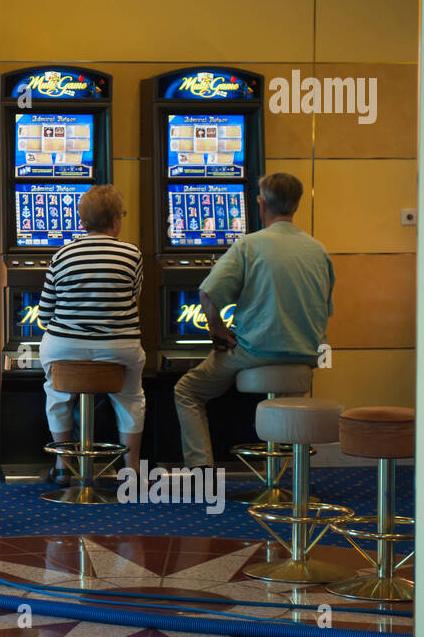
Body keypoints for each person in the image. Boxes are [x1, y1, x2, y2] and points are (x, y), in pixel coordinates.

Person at [173, 172, 334, 468]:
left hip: (254, 351)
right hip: (306, 355)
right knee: (288, 408)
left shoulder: (249, 245)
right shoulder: (319, 250)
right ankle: (284, 477)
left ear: (260, 205)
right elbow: (325, 311)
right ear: (296, 206)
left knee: (187, 391)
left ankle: (202, 469)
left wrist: (219, 333)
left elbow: (207, 294)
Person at [37, 185, 146, 483]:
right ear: (114, 220)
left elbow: (45, 314)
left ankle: (62, 464)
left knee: (57, 395)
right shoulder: (131, 253)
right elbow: (134, 296)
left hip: (64, 346)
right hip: (119, 348)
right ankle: (132, 467)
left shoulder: (61, 254)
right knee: (131, 398)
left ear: (82, 222)